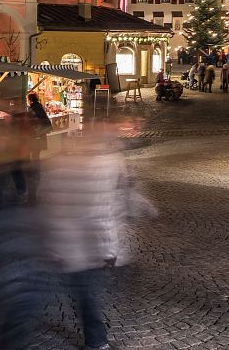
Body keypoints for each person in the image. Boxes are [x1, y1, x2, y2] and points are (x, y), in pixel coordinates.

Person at [39, 119, 155, 350]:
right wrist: (109, 251)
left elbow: (47, 203)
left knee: (76, 291)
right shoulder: (106, 166)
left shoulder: (57, 165)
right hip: (90, 248)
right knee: (87, 293)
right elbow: (104, 213)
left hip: (65, 245)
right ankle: (97, 341)